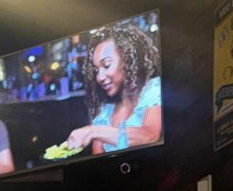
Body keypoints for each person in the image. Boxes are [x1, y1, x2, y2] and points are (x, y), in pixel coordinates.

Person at [65, 22, 161, 155]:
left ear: (127, 60)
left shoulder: (153, 91)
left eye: (106, 65)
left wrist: (94, 131)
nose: (100, 77)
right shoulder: (104, 114)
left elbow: (150, 135)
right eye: (96, 70)